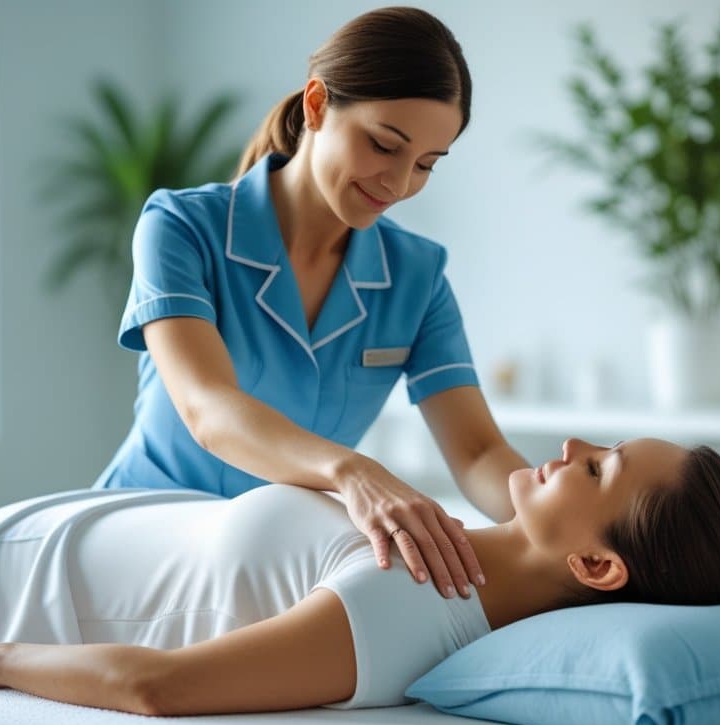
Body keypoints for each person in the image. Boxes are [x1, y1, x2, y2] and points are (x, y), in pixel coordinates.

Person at [0, 439, 720, 716]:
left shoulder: (410, 609)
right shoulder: (437, 536)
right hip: (35, 532)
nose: (570, 446)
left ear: (595, 563)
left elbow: (160, 684)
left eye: (594, 469)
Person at [93, 7, 530, 602]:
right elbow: (208, 409)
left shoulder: (417, 276)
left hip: (272, 564)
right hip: (138, 540)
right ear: (318, 105)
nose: (400, 184)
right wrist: (353, 472)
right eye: (384, 145)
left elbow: (478, 452)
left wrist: (562, 515)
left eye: (426, 164)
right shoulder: (181, 226)